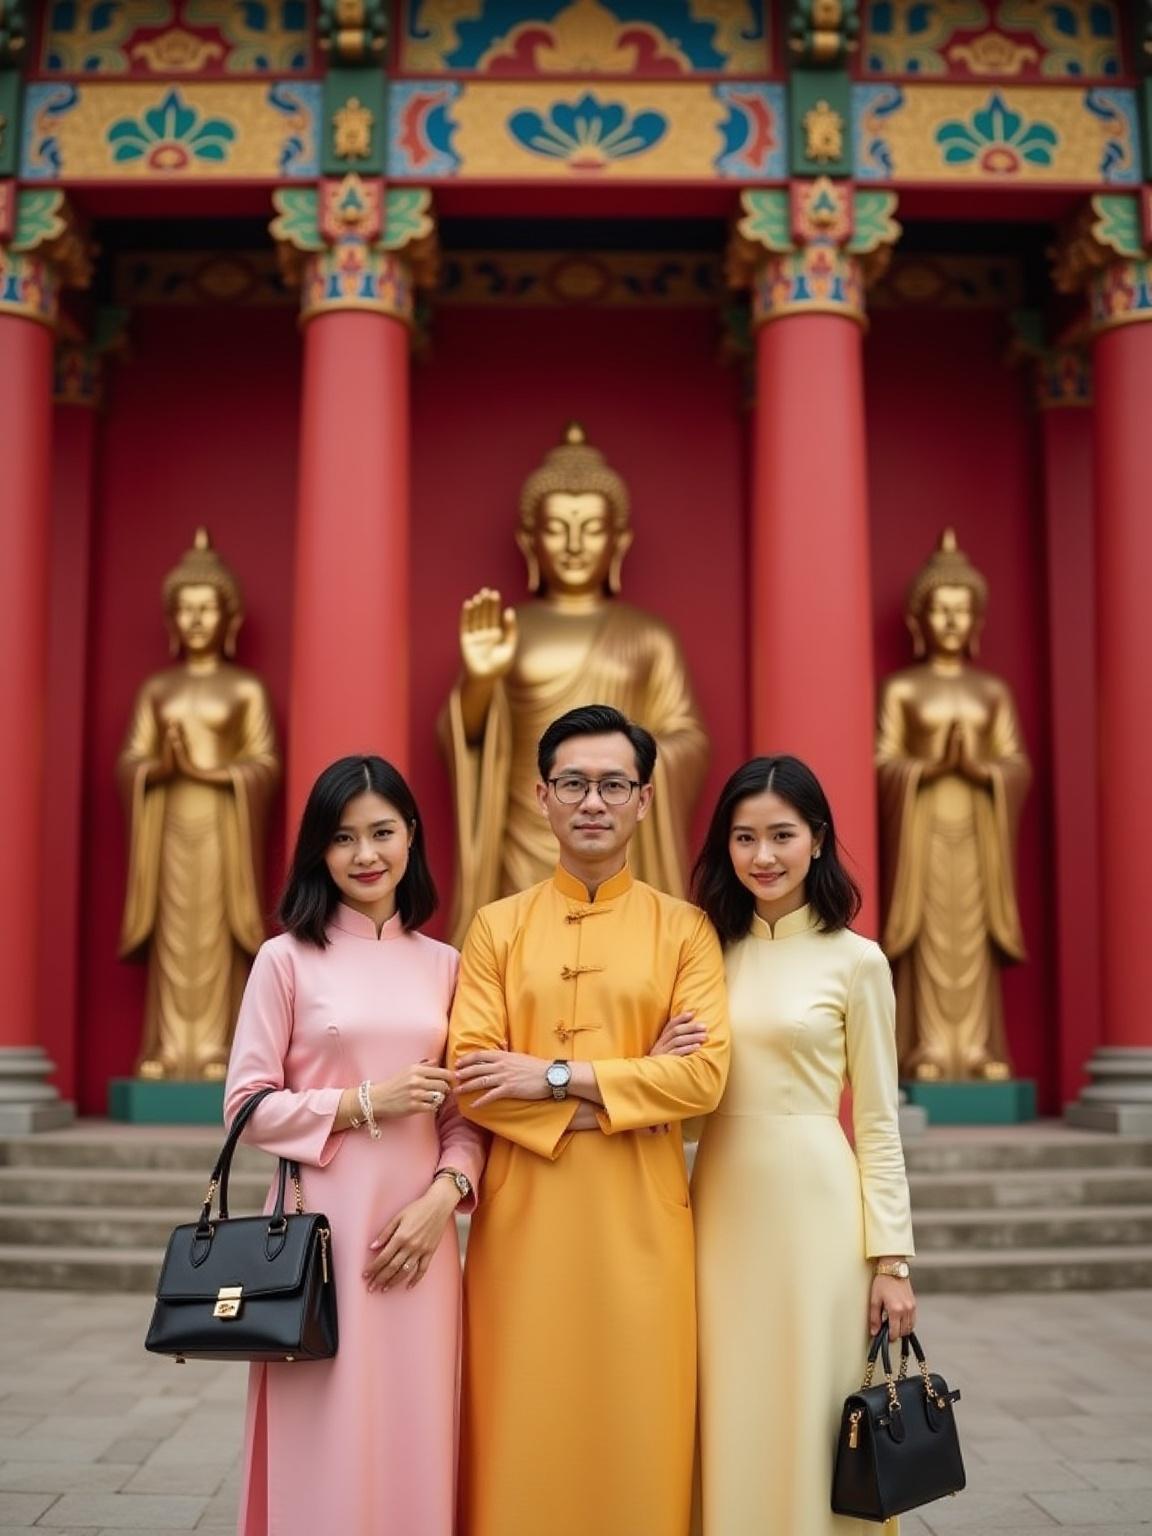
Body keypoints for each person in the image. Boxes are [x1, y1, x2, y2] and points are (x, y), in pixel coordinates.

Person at [448, 704, 731, 1536]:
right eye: (573, 783)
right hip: (521, 1226)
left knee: (640, 1424)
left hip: (643, 1224)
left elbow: (702, 1079)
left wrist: (551, 1075)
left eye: (613, 784)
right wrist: (633, 1091)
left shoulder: (686, 930)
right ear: (541, 795)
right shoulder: (496, 928)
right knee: (521, 1424)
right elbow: (475, 1083)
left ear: (645, 799)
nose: (593, 802)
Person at [224, 755, 486, 1536]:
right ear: (319, 849)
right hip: (318, 1235)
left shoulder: (447, 965)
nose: (365, 854)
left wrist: (444, 1198)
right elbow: (245, 1107)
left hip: (419, 1239)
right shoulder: (286, 958)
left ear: (412, 836)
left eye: (382, 832)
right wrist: (365, 1102)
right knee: (325, 1427)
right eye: (342, 838)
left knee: (416, 1422)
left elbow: (465, 1117)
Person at [690, 756, 916, 1536]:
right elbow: (686, 1104)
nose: (763, 855)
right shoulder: (700, 954)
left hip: (818, 1211)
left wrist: (892, 1260)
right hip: (718, 1205)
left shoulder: (857, 960)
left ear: (817, 839)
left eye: (781, 835)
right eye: (744, 837)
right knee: (727, 1395)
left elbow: (878, 1120)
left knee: (817, 1402)